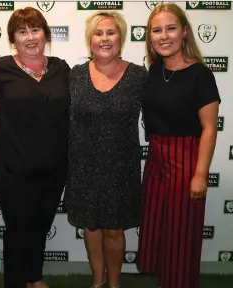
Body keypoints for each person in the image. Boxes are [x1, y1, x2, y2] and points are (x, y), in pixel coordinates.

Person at [0, 7, 71, 288]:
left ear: (46, 34)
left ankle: (34, 276)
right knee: (19, 227)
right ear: (12, 39)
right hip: (12, 167)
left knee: (41, 225)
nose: (30, 37)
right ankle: (17, 282)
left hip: (54, 167)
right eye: (22, 31)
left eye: (35, 30)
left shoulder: (61, 68)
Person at [137, 3, 221, 288]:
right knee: (160, 228)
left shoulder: (200, 75)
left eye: (171, 28)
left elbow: (209, 128)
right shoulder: (154, 71)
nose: (164, 36)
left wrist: (200, 174)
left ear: (184, 32)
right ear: (150, 37)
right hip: (157, 157)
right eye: (156, 30)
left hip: (186, 158)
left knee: (181, 234)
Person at [64, 11, 147, 288]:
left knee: (114, 230)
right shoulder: (74, 76)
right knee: (91, 228)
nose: (104, 39)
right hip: (83, 166)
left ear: (121, 37)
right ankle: (97, 282)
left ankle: (114, 283)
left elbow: (163, 111)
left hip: (121, 167)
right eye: (98, 34)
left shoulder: (138, 76)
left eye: (111, 33)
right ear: (90, 40)